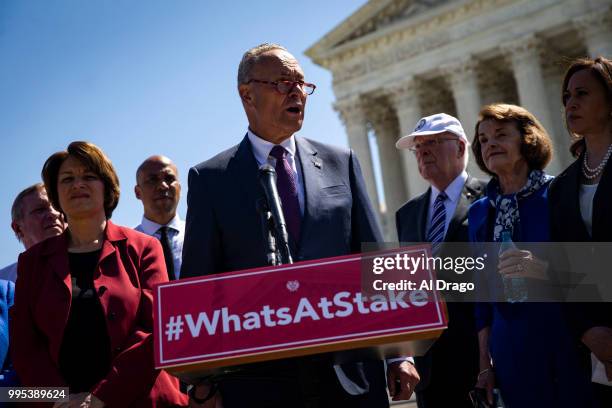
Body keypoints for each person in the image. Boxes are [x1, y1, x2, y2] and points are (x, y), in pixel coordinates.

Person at [181, 43, 418, 407]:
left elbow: (375, 258)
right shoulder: (210, 179)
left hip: (349, 376)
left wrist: (399, 353)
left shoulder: (342, 162)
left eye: (301, 84)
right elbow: (200, 283)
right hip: (259, 382)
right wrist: (201, 380)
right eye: (282, 83)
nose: (296, 93)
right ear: (247, 94)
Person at [10, 141, 187, 407]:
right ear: (56, 194)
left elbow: (156, 331)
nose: (77, 184)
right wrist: (62, 400)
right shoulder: (32, 262)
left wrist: (101, 398)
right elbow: (26, 347)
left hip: (143, 399)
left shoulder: (144, 248)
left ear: (107, 188)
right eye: (67, 179)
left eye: (89, 176)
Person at [468, 103, 592, 407]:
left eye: (500, 135)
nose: (490, 144)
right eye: (483, 140)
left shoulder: (560, 194)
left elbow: (595, 273)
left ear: (528, 139)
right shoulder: (480, 212)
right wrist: (485, 364)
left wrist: (542, 270)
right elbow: (481, 297)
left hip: (564, 338)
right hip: (510, 346)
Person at [395, 113, 485, 408]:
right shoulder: (406, 215)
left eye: (433, 142)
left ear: (461, 148)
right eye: (418, 146)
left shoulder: (491, 196)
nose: (422, 151)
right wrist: (403, 355)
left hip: (483, 363)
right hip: (429, 373)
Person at [549, 56, 612, 407]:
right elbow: (563, 271)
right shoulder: (561, 187)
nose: (571, 103)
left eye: (583, 93)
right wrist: (589, 331)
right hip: (591, 348)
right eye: (566, 97)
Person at [0, 183, 65, 282]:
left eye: (57, 207)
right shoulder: (4, 281)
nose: (53, 214)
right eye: (40, 210)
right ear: (18, 228)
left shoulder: (92, 265)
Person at [134, 155, 184, 280]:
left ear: (180, 188)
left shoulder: (201, 236)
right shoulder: (126, 246)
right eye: (152, 180)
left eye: (169, 178)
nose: (163, 185)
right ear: (138, 192)